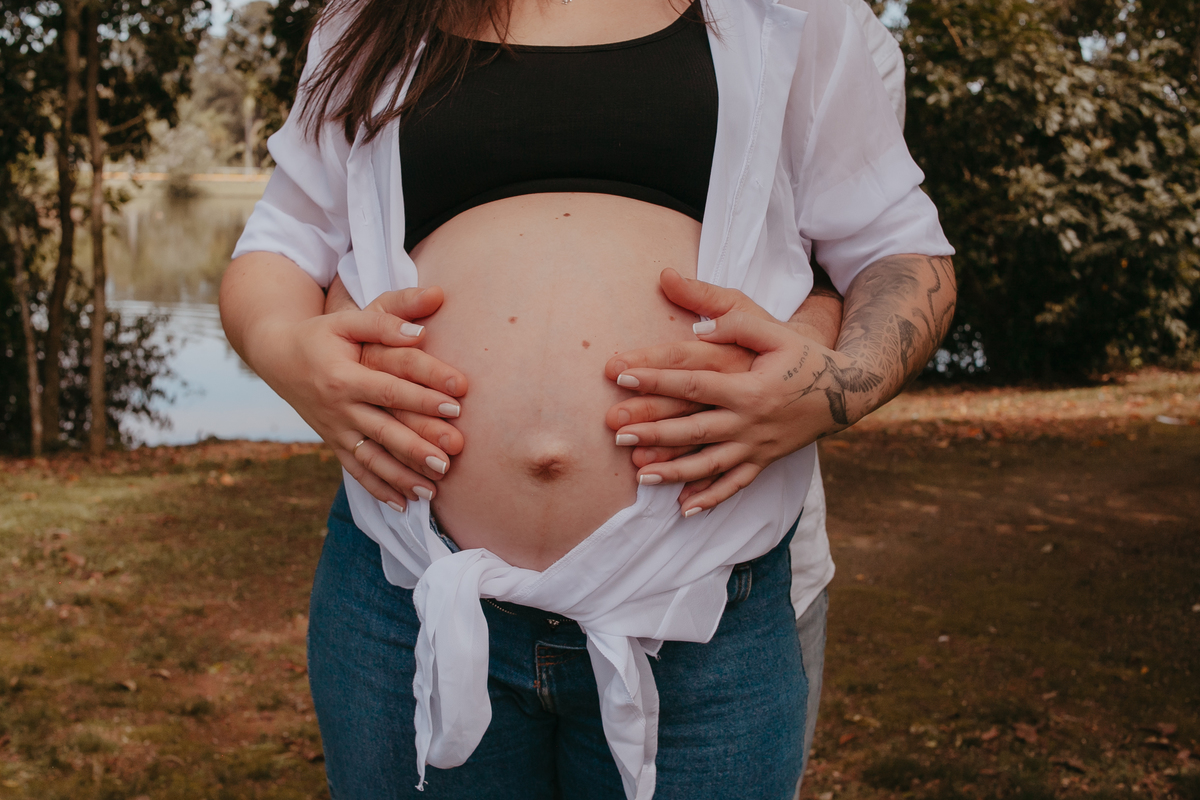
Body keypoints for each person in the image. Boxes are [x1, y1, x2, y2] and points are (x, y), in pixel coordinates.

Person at [219, 0, 956, 796]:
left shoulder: (789, 11)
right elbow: (281, 243)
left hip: (702, 615)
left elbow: (898, 250)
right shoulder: (370, 15)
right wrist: (285, 349)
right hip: (406, 599)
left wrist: (832, 391)